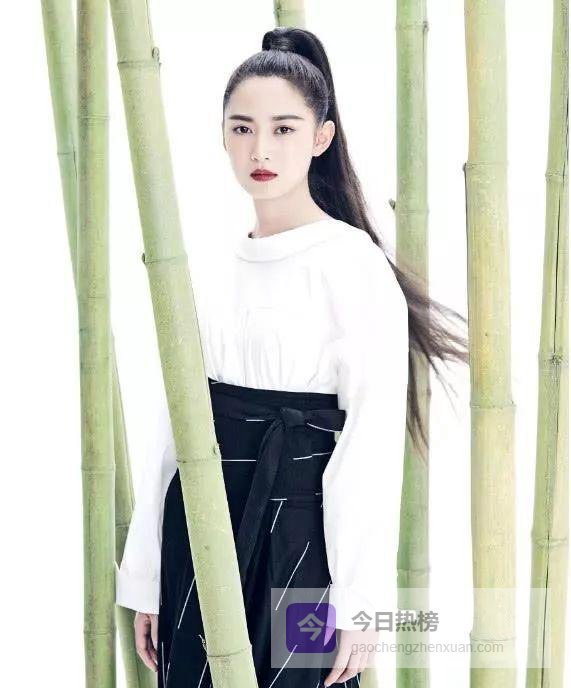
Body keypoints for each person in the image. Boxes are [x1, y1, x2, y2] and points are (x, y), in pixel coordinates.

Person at [115, 27, 468, 687]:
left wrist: (358, 606)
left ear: (321, 138)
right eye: (242, 128)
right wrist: (145, 578)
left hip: (305, 536)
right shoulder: (206, 263)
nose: (260, 149)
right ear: (222, 136)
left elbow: (367, 449)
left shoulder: (353, 265)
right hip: (201, 525)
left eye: (283, 129)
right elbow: (172, 431)